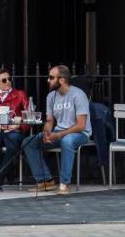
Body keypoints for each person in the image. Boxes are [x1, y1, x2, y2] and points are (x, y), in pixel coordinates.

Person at [22, 65, 91, 194]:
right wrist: (46, 133)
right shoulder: (51, 96)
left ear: (62, 80)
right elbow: (49, 121)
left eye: (51, 77)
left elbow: (81, 125)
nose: (48, 80)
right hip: (58, 132)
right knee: (29, 142)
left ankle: (64, 183)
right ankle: (45, 181)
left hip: (79, 133)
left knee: (67, 141)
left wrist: (59, 135)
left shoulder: (78, 95)